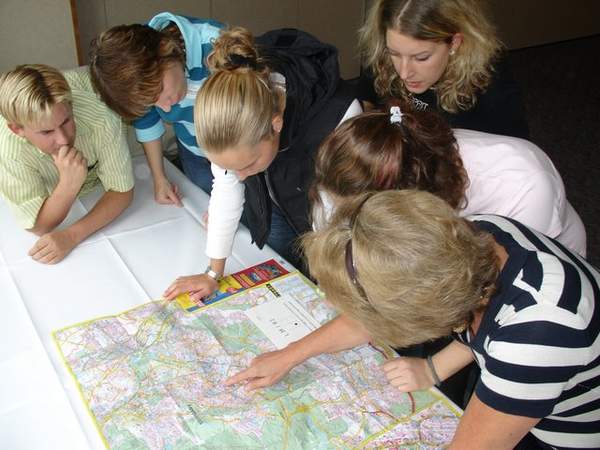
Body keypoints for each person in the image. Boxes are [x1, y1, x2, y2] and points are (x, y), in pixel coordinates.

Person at [226, 190, 600, 450]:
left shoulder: (536, 336)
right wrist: (290, 354)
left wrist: (434, 368)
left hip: (572, 431)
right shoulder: (471, 237)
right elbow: (483, 328)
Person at [162, 27, 361, 302]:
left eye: (248, 164)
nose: (240, 177)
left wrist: (333, 288)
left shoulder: (337, 120)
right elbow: (225, 190)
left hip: (343, 214)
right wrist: (212, 273)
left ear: (275, 125)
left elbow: (335, 219)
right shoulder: (234, 116)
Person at [311, 106, 586, 257]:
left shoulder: (523, 184)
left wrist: (432, 365)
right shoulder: (401, 155)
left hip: (535, 263)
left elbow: (504, 289)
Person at [0, 64, 134, 264]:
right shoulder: (9, 149)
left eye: (66, 122)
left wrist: (71, 236)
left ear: (71, 106)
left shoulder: (102, 118)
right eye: (46, 132)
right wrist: (68, 184)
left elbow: (122, 191)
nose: (63, 139)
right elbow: (39, 226)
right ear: (17, 129)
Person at [89, 12, 222, 197]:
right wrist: (160, 179)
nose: (166, 108)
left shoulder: (217, 48)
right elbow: (147, 122)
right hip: (193, 149)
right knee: (203, 200)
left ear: (165, 49)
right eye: (153, 102)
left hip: (240, 146)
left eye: (159, 91)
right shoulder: (143, 79)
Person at [358, 0, 529, 138]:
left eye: (421, 58)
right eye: (394, 53)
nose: (403, 73)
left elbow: (513, 154)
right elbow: (366, 96)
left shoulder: (491, 86)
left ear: (454, 43)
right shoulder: (384, 52)